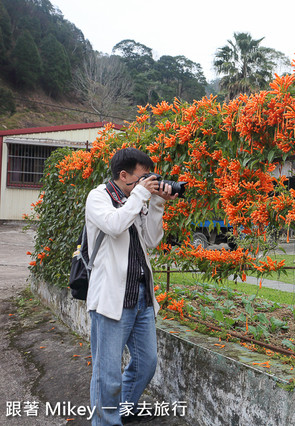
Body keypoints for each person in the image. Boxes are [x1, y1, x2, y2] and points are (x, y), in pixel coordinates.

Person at [85, 148, 176, 425]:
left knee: (146, 364)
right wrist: (139, 196)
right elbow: (114, 225)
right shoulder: (99, 197)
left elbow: (151, 240)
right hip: (112, 298)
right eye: (142, 177)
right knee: (107, 373)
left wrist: (157, 202)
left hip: (141, 297)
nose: (147, 183)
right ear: (123, 175)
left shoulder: (134, 199)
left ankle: (123, 408)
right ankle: (105, 421)